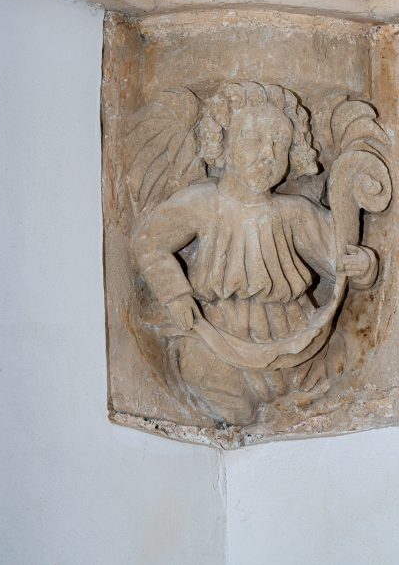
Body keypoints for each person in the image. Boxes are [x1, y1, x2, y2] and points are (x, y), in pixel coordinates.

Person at [132, 81, 377, 425]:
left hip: (292, 334)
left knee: (334, 365)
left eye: (280, 143)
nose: (268, 154)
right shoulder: (202, 203)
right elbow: (148, 241)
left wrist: (364, 265)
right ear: (222, 142)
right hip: (218, 331)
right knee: (207, 375)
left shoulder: (294, 211)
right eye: (253, 139)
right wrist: (176, 295)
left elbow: (339, 259)